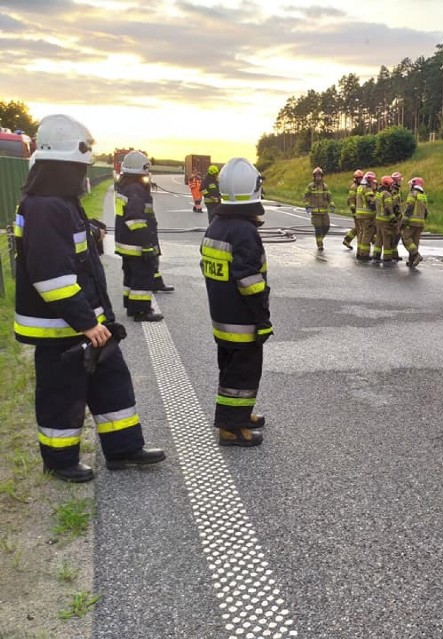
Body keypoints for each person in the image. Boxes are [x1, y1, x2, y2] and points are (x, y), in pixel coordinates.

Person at [14, 114, 166, 483]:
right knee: (62, 396)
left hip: (88, 322)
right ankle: (60, 461)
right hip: (62, 328)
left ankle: (124, 449)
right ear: (62, 166)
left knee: (112, 383)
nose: (84, 176)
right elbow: (52, 278)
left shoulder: (60, 203)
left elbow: (75, 261)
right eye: (80, 168)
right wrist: (85, 323)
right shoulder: (46, 207)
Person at [200, 157, 271, 447]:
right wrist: (262, 318)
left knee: (230, 369)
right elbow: (249, 281)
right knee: (243, 374)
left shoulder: (217, 225)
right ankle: (231, 428)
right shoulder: (244, 232)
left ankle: (240, 414)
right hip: (243, 319)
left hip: (222, 315)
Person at [114, 150, 165, 321]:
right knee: (143, 276)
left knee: (131, 275)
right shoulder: (135, 189)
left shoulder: (125, 186)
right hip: (136, 244)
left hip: (126, 243)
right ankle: (142, 311)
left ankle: (131, 305)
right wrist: (146, 244)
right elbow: (135, 218)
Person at [304, 166, 334, 251]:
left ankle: (320, 239)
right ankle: (320, 244)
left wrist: (332, 205)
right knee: (318, 229)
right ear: (314, 177)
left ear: (322, 176)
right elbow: (306, 197)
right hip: (315, 212)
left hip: (324, 212)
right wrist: (307, 206)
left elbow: (330, 197)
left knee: (326, 227)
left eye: (319, 176)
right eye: (316, 176)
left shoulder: (325, 186)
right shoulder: (310, 186)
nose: (318, 177)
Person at [401, 177, 428, 268]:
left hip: (412, 221)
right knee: (415, 241)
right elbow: (426, 211)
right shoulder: (423, 195)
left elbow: (409, 207)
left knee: (406, 238)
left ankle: (416, 255)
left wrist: (404, 221)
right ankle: (411, 261)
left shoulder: (412, 194)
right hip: (420, 223)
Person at [374, 175, 398, 264]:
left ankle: (376, 254)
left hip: (378, 219)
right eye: (391, 185)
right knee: (387, 238)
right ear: (387, 184)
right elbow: (388, 207)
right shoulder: (387, 194)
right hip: (385, 220)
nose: (392, 186)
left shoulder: (378, 193)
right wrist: (392, 217)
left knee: (379, 239)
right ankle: (387, 257)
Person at [355, 171, 377, 261]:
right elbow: (371, 202)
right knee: (367, 235)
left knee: (361, 233)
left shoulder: (359, 187)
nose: (373, 183)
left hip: (359, 215)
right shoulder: (367, 189)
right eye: (372, 181)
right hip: (367, 215)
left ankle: (359, 252)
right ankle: (364, 254)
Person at [342, 169, 362, 249]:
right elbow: (351, 200)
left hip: (360, 210)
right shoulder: (354, 187)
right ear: (355, 178)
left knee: (358, 227)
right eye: (359, 178)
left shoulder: (360, 187)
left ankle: (347, 240)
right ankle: (358, 245)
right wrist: (354, 211)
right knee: (359, 228)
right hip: (356, 211)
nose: (360, 180)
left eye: (361, 178)